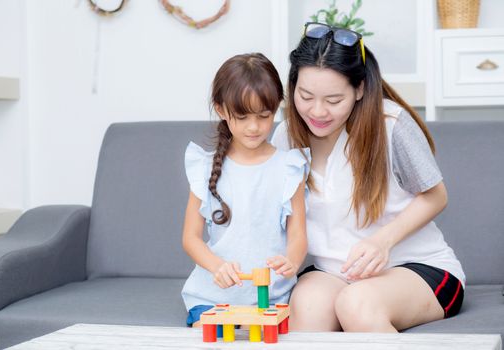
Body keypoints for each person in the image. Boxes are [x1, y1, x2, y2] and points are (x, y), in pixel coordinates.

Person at [271, 22, 465, 332]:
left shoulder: (391, 125)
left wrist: (382, 241)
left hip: (415, 267)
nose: (317, 112)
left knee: (356, 304)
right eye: (305, 96)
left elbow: (436, 195)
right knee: (307, 307)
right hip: (333, 272)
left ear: (359, 89)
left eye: (334, 101)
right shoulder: (285, 137)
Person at [181, 53, 309, 327]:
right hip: (212, 299)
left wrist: (292, 261)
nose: (254, 127)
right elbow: (190, 238)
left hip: (272, 300)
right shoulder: (204, 167)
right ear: (221, 109)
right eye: (242, 116)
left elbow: (298, 234)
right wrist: (217, 266)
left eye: (264, 116)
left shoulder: (290, 167)